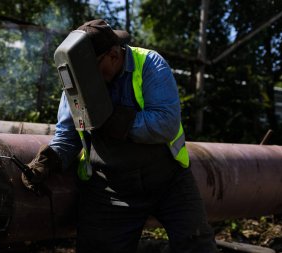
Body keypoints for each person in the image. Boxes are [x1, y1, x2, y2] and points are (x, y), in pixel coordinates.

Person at [25, 19, 218, 253]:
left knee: (197, 246)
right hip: (110, 188)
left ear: (114, 55)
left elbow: (166, 123)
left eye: (92, 70)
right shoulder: (79, 79)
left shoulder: (149, 64)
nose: (86, 80)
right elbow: (68, 134)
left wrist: (114, 121)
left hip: (167, 180)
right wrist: (49, 160)